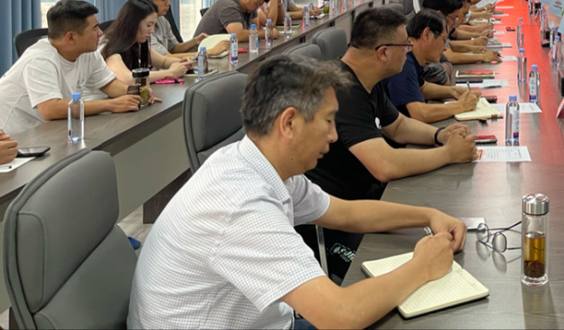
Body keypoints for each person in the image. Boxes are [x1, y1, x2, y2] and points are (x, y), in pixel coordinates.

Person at [128, 54, 469, 330]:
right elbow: (340, 316)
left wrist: (427, 215)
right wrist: (422, 266)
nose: (334, 135)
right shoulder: (241, 205)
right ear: (289, 123)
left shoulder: (260, 162)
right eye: (328, 121)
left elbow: (345, 213)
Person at [308, 8, 479, 203]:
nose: (408, 51)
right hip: (347, 206)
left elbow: (398, 126)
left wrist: (440, 135)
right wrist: (448, 153)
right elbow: (384, 165)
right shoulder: (342, 92)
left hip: (368, 192)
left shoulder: (365, 77)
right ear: (383, 52)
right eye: (405, 45)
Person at [0, 0, 142, 136]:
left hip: (51, 128)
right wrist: (110, 105)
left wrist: (137, 92)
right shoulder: (39, 59)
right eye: (94, 28)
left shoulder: (88, 52)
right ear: (71, 37)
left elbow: (108, 84)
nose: (101, 33)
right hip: (16, 136)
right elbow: (50, 109)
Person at [383, 10, 480, 122]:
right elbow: (420, 114)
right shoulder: (403, 61)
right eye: (443, 40)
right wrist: (461, 106)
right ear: (427, 34)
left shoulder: (412, 57)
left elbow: (422, 88)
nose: (445, 48)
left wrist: (452, 91)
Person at [101, 0, 192, 82]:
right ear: (132, 24)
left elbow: (163, 61)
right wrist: (171, 73)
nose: (152, 31)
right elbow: (127, 78)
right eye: (148, 25)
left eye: (153, 25)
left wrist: (182, 62)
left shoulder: (134, 42)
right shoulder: (108, 46)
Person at [131, 0, 207, 58]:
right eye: (163, 0)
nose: (168, 3)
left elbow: (173, 48)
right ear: (147, 2)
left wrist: (195, 41)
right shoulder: (140, 27)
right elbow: (165, 58)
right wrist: (209, 52)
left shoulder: (162, 19)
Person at [195, 0, 274, 42]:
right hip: (203, 53)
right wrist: (267, 33)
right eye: (257, 4)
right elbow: (238, 36)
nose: (257, 8)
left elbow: (255, 27)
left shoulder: (249, 5)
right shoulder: (228, 5)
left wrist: (254, 33)